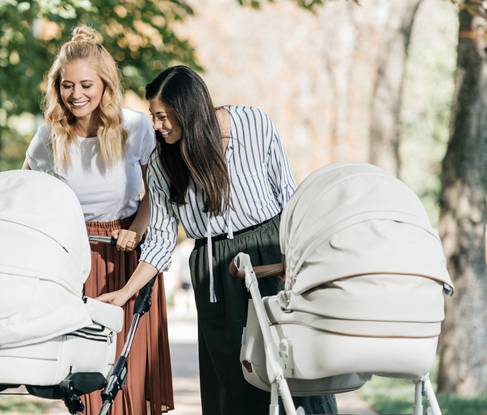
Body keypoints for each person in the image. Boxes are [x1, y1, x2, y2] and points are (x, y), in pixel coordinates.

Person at [98, 65, 337, 414]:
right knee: (237, 373)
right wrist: (124, 293)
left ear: (188, 109)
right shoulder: (163, 163)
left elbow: (288, 197)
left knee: (292, 360)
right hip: (214, 268)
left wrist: (296, 261)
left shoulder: (253, 124)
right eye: (153, 116)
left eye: (163, 116)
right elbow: (162, 240)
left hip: (270, 250)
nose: (158, 126)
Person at [23, 25, 174, 415]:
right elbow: (28, 194)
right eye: (67, 86)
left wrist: (136, 229)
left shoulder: (136, 127)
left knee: (130, 371)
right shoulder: (48, 137)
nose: (76, 95)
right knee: (85, 374)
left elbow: (157, 192)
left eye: (86, 85)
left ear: (105, 85)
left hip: (125, 253)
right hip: (74, 258)